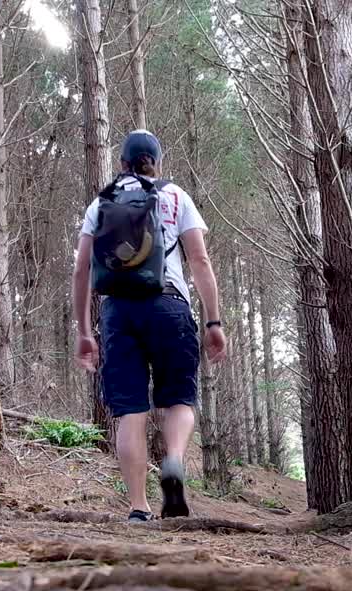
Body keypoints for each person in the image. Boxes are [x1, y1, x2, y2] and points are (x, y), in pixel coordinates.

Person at [72, 129, 228, 521]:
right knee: (178, 399)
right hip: (169, 305)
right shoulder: (176, 197)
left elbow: (81, 269)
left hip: (118, 312)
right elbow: (200, 262)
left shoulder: (102, 202)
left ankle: (138, 507)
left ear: (122, 162)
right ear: (156, 161)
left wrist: (84, 332)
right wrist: (213, 321)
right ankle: (173, 460)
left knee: (131, 411)